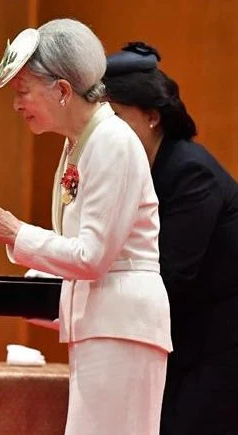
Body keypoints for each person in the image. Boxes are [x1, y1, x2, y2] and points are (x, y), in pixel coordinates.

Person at [0, 19, 172, 434]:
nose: (17, 104)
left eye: (23, 91)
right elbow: (82, 253)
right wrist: (29, 287)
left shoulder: (112, 142)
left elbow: (92, 257)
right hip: (105, 326)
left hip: (124, 328)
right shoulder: (80, 143)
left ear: (62, 90)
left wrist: (17, 232)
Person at [104, 42, 238, 435]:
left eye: (116, 118)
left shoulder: (189, 172)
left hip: (219, 352)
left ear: (151, 117)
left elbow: (167, 276)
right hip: (180, 350)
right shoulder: (138, 171)